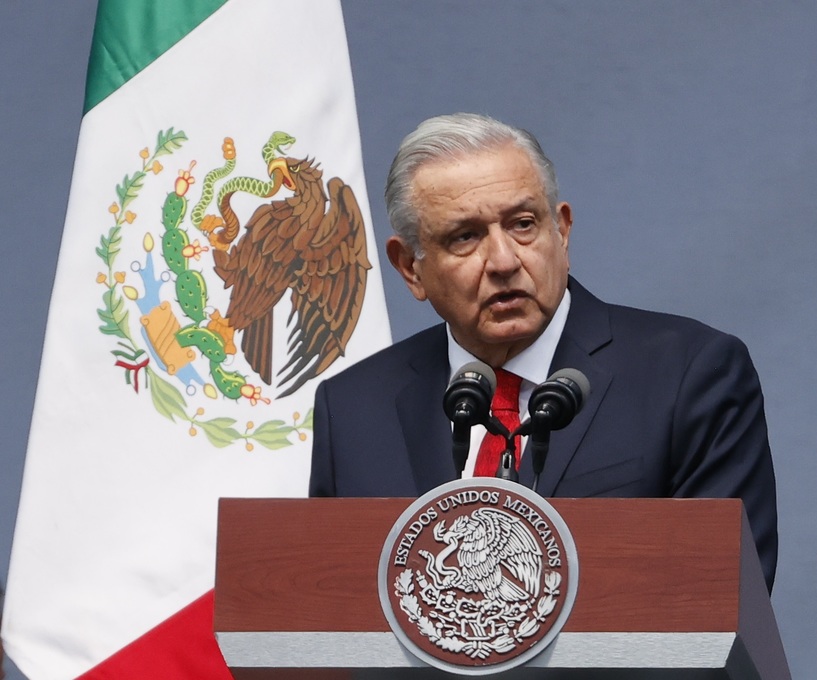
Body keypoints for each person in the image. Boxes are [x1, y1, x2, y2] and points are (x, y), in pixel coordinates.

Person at [309, 113, 778, 591]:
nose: (504, 261)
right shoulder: (351, 409)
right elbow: (323, 606)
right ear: (411, 267)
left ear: (563, 231)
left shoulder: (688, 374)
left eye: (523, 224)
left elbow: (723, 594)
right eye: (465, 237)